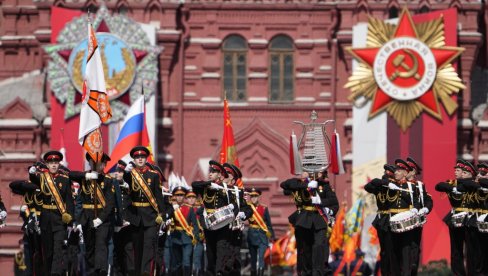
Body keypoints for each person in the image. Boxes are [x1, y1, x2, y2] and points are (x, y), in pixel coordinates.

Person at [123, 146, 172, 276]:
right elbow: (127, 181)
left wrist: (161, 214)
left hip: (150, 216)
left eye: (142, 157)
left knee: (148, 246)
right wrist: (126, 173)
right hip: (135, 216)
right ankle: (137, 272)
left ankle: (145, 272)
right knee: (137, 247)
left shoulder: (154, 175)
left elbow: (158, 196)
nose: (140, 159)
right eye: (137, 157)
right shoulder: (131, 174)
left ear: (146, 159)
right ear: (134, 159)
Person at [280, 170, 339, 276]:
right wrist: (306, 184)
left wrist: (321, 202)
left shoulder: (323, 185)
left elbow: (334, 202)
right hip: (304, 220)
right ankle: (306, 272)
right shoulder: (298, 184)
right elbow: (284, 185)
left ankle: (318, 272)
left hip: (319, 220)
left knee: (319, 247)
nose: (304, 173)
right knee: (304, 250)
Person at [28, 150, 74, 276]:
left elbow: (69, 201)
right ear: (47, 165)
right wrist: (31, 173)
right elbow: (33, 179)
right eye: (51, 163)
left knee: (58, 250)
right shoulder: (43, 178)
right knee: (48, 252)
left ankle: (55, 273)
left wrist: (70, 221)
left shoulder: (65, 180)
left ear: (59, 164)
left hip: (59, 219)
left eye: (56, 162)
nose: (53, 165)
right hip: (46, 219)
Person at [68, 152, 115, 276]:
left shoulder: (108, 180)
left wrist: (100, 219)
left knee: (101, 243)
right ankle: (92, 271)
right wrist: (86, 175)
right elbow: (70, 174)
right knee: (89, 248)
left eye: (101, 163)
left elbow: (110, 204)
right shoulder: (84, 177)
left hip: (102, 218)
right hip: (86, 218)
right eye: (94, 162)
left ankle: (102, 271)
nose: (98, 165)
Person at [192, 160, 237, 275]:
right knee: (211, 253)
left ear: (220, 174)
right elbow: (194, 185)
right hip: (209, 224)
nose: (210, 173)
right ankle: (211, 272)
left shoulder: (227, 189)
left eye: (214, 171)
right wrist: (209, 184)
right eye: (210, 171)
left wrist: (233, 209)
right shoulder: (205, 187)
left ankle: (219, 272)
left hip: (223, 224)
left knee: (221, 250)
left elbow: (235, 206)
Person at [387, 159, 421, 276]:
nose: (395, 172)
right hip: (392, 224)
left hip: (406, 225)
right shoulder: (389, 184)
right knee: (393, 253)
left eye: (399, 170)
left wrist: (416, 209)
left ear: (405, 173)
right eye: (395, 170)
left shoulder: (411, 187)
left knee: (406, 252)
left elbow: (416, 201)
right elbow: (371, 185)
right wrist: (386, 184)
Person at [435, 160, 469, 276]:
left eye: (458, 170)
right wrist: (453, 188)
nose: (455, 172)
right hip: (455, 217)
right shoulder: (452, 183)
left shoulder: (472, 184)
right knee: (455, 250)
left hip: (468, 218)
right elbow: (439, 186)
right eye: (455, 170)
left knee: (470, 249)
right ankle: (457, 273)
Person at [364, 164, 395, 275]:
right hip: (381, 220)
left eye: (387, 173)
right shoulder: (380, 187)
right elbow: (367, 186)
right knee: (384, 251)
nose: (385, 174)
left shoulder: (395, 187)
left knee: (391, 249)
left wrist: (389, 184)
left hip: (391, 219)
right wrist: (383, 183)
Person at [223, 163, 252, 276]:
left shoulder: (238, 193)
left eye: (228, 174)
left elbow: (249, 209)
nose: (225, 175)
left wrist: (243, 213)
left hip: (234, 232)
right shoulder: (216, 191)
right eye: (224, 173)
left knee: (234, 260)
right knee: (221, 260)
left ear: (234, 180)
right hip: (220, 232)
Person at [405, 157, 433, 276]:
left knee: (415, 247)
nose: (406, 171)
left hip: (416, 221)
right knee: (404, 247)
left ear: (414, 172)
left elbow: (428, 200)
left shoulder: (420, 186)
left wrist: (426, 208)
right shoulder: (400, 185)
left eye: (409, 169)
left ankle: (413, 269)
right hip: (403, 221)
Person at [9, 179, 42, 275]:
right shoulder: (27, 194)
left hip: (40, 229)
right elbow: (13, 185)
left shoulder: (41, 190)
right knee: (29, 258)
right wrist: (27, 183)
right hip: (29, 231)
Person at [455, 160, 482, 275]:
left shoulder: (478, 185)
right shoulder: (468, 185)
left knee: (479, 251)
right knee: (470, 252)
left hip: (480, 221)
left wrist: (479, 179)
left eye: (465, 173)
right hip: (471, 221)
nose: (461, 175)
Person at [112, 160, 135, 275]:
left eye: (120, 172)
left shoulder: (129, 187)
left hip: (128, 224)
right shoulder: (112, 186)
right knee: (117, 251)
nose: (118, 174)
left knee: (129, 249)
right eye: (116, 172)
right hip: (116, 224)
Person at [170, 186, 198, 276]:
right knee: (176, 264)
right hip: (175, 238)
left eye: (181, 195)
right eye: (177, 195)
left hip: (187, 239)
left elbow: (195, 224)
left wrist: (195, 236)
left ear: (184, 197)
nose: (179, 197)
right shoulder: (172, 209)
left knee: (186, 261)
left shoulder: (189, 208)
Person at [246, 188, 275, 276]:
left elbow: (269, 223)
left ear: (259, 197)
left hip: (262, 235)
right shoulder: (248, 207)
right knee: (253, 258)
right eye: (252, 197)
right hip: (251, 235)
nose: (253, 198)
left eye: (255, 196)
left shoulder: (264, 208)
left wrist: (271, 236)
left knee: (261, 257)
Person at [187, 189, 205, 276]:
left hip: (198, 238)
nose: (191, 199)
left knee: (197, 260)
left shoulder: (200, 210)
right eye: (189, 197)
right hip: (187, 237)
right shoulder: (183, 209)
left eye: (193, 197)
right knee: (187, 260)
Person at [476, 162, 488, 275]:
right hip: (482, 220)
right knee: (481, 249)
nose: (481, 174)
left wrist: (482, 179)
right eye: (480, 172)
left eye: (484, 173)